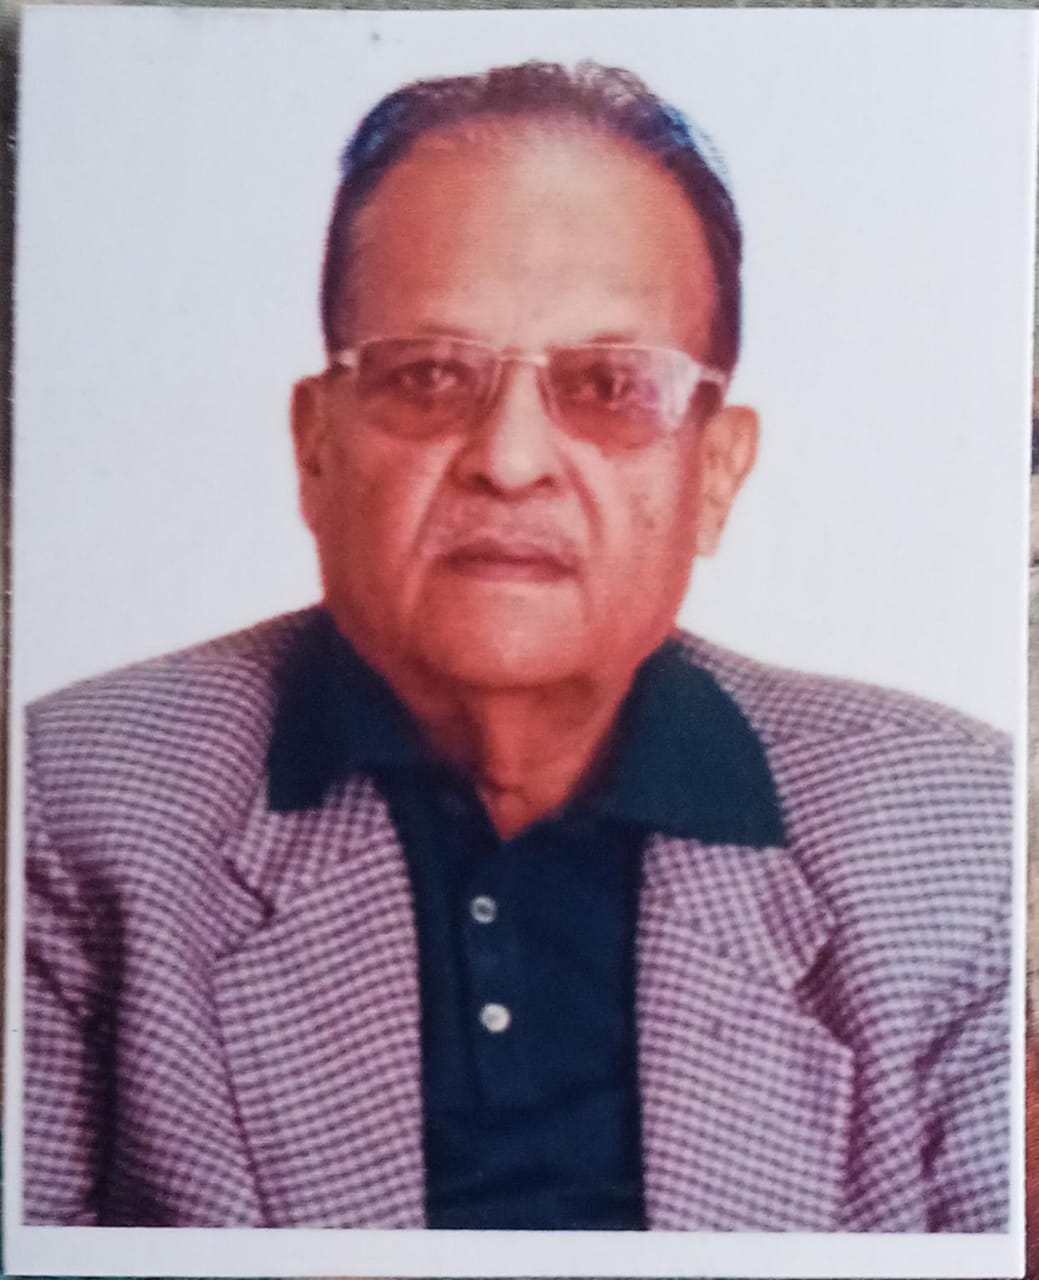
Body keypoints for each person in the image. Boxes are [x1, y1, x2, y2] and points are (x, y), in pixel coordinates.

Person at [22, 60, 1012, 1233]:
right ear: (317, 447)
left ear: (715, 472)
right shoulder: (68, 803)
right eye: (430, 373)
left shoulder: (955, 834)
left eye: (610, 384)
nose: (509, 458)